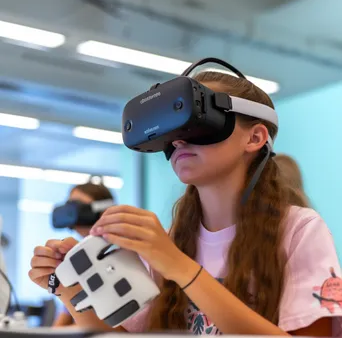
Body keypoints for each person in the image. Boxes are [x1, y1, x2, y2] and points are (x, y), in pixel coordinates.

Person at [29, 71, 342, 336]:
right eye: (173, 129)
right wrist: (68, 286)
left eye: (198, 122)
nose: (179, 140)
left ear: (255, 138)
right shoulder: (173, 238)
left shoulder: (300, 231)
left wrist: (179, 267)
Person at [52, 182, 114, 327]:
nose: (70, 210)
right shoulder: (78, 256)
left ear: (102, 210)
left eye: (77, 204)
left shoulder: (118, 253)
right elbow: (64, 318)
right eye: (69, 204)